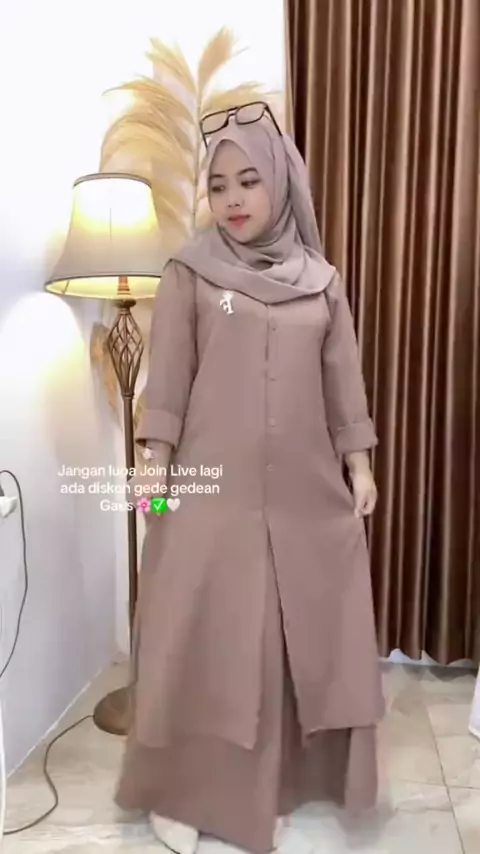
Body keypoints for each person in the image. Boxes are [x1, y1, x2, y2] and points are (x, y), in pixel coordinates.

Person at [114, 102, 385, 854]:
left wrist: (359, 462)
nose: (232, 199)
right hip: (209, 492)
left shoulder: (321, 282)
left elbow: (342, 381)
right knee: (202, 637)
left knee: (290, 641)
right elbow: (168, 381)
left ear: (281, 183)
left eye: (249, 180)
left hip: (302, 494)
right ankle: (183, 791)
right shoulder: (191, 273)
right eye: (219, 184)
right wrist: (153, 469)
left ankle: (283, 784)